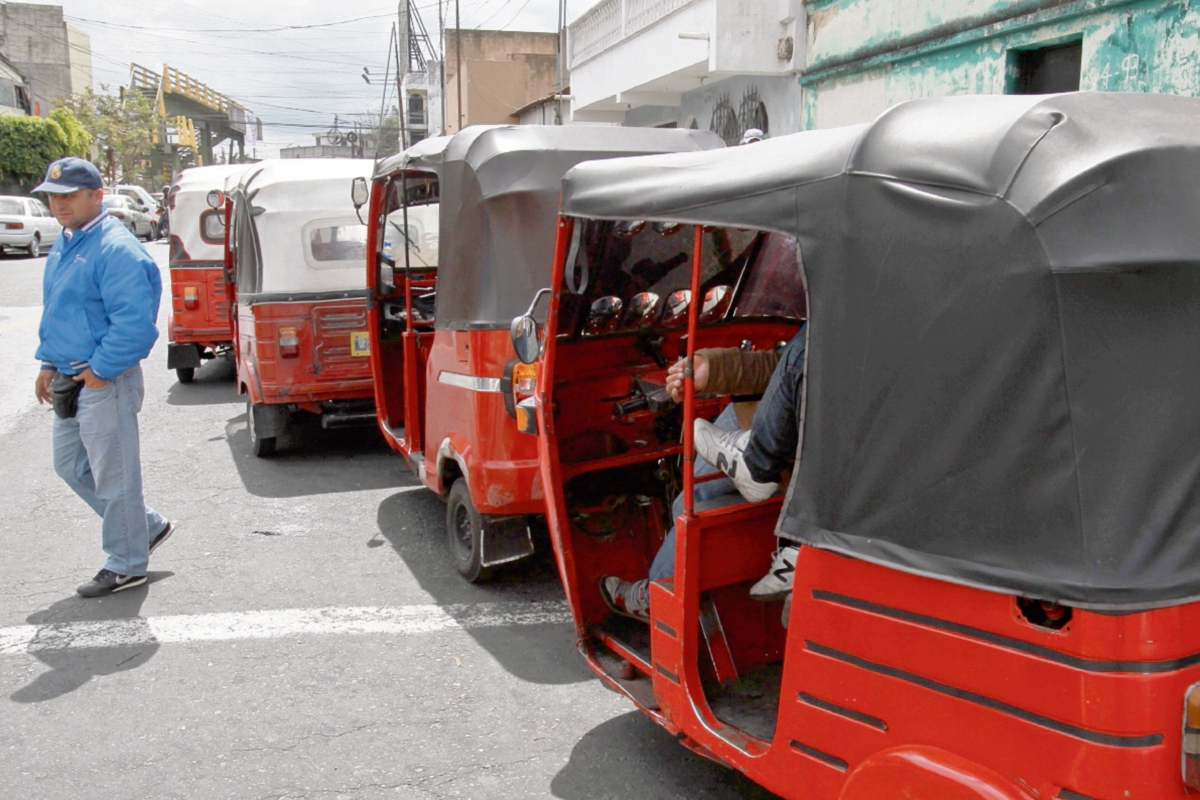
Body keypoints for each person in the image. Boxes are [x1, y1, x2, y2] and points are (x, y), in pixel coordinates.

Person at [32, 157, 174, 598]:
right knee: (71, 466)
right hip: (71, 375)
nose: (59, 204)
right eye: (53, 196)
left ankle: (127, 561)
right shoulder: (69, 240)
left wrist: (100, 371)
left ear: (97, 196)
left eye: (69, 195)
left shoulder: (115, 248)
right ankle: (144, 527)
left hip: (102, 378)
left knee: (114, 477)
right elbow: (62, 309)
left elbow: (134, 324)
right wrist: (48, 362)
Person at [600, 328, 806, 620]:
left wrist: (713, 367)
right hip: (807, 465)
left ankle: (655, 597)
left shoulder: (835, 314)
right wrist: (712, 367)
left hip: (770, 437)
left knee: (690, 504)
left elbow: (786, 368)